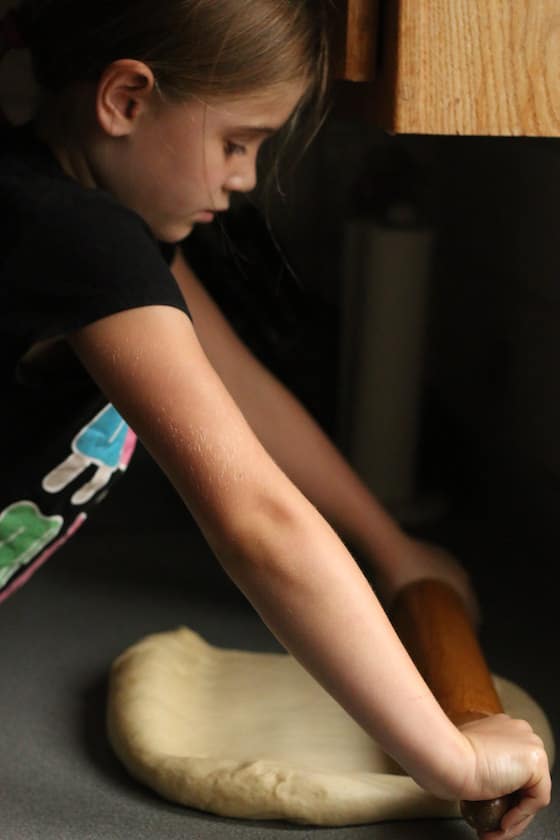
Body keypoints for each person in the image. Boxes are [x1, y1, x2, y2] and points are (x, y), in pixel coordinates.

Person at [0, 2, 550, 837]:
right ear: (126, 99)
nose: (246, 177)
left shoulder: (66, 217)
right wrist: (452, 758)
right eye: (237, 141)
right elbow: (254, 521)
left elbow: (240, 390)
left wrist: (392, 548)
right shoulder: (78, 238)